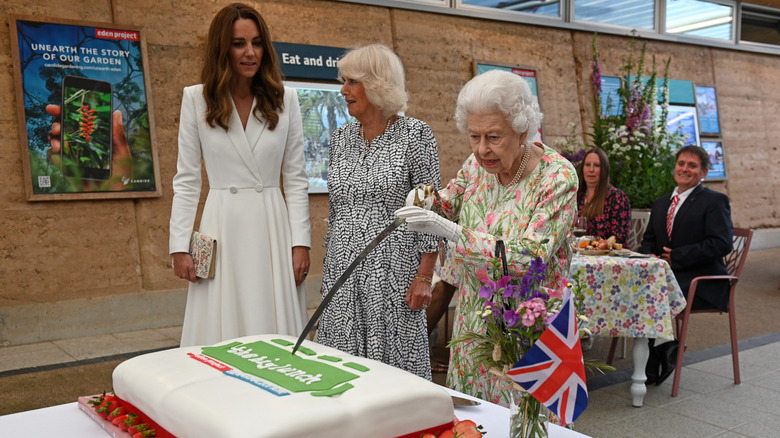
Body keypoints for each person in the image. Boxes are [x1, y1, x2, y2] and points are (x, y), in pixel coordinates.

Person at [396, 69, 578, 406]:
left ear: (522, 130)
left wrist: (452, 232)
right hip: (475, 319)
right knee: (474, 417)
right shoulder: (477, 164)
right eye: (474, 136)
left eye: (493, 137)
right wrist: (419, 198)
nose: (482, 149)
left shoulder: (557, 176)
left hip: (528, 323)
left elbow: (529, 256)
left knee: (522, 419)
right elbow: (447, 201)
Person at [169, 3, 310, 347]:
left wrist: (300, 243)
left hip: (271, 226)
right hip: (221, 225)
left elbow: (295, 178)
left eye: (257, 43)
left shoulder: (285, 99)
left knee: (273, 324)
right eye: (239, 43)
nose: (250, 52)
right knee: (220, 329)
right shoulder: (196, 99)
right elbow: (187, 179)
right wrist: (179, 245)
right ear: (222, 49)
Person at [315, 44, 441, 380]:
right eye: (344, 82)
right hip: (343, 270)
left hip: (394, 273)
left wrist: (425, 276)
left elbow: (428, 209)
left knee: (394, 372)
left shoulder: (416, 135)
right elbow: (337, 207)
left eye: (352, 82)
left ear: (377, 84)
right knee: (342, 369)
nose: (344, 90)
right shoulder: (340, 138)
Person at [639, 145, 733, 385]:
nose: (684, 169)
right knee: (635, 288)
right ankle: (662, 349)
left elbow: (721, 244)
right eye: (681, 163)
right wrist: (652, 256)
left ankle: (654, 359)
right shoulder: (661, 203)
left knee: (651, 294)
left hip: (701, 281)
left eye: (692, 165)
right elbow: (648, 240)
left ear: (703, 173)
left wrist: (677, 256)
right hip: (666, 279)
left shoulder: (714, 201)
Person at [577, 147, 631, 246]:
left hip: (607, 257)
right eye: (587, 165)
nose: (591, 169)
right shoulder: (577, 196)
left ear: (604, 170)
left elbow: (619, 238)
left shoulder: (616, 197)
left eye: (597, 165)